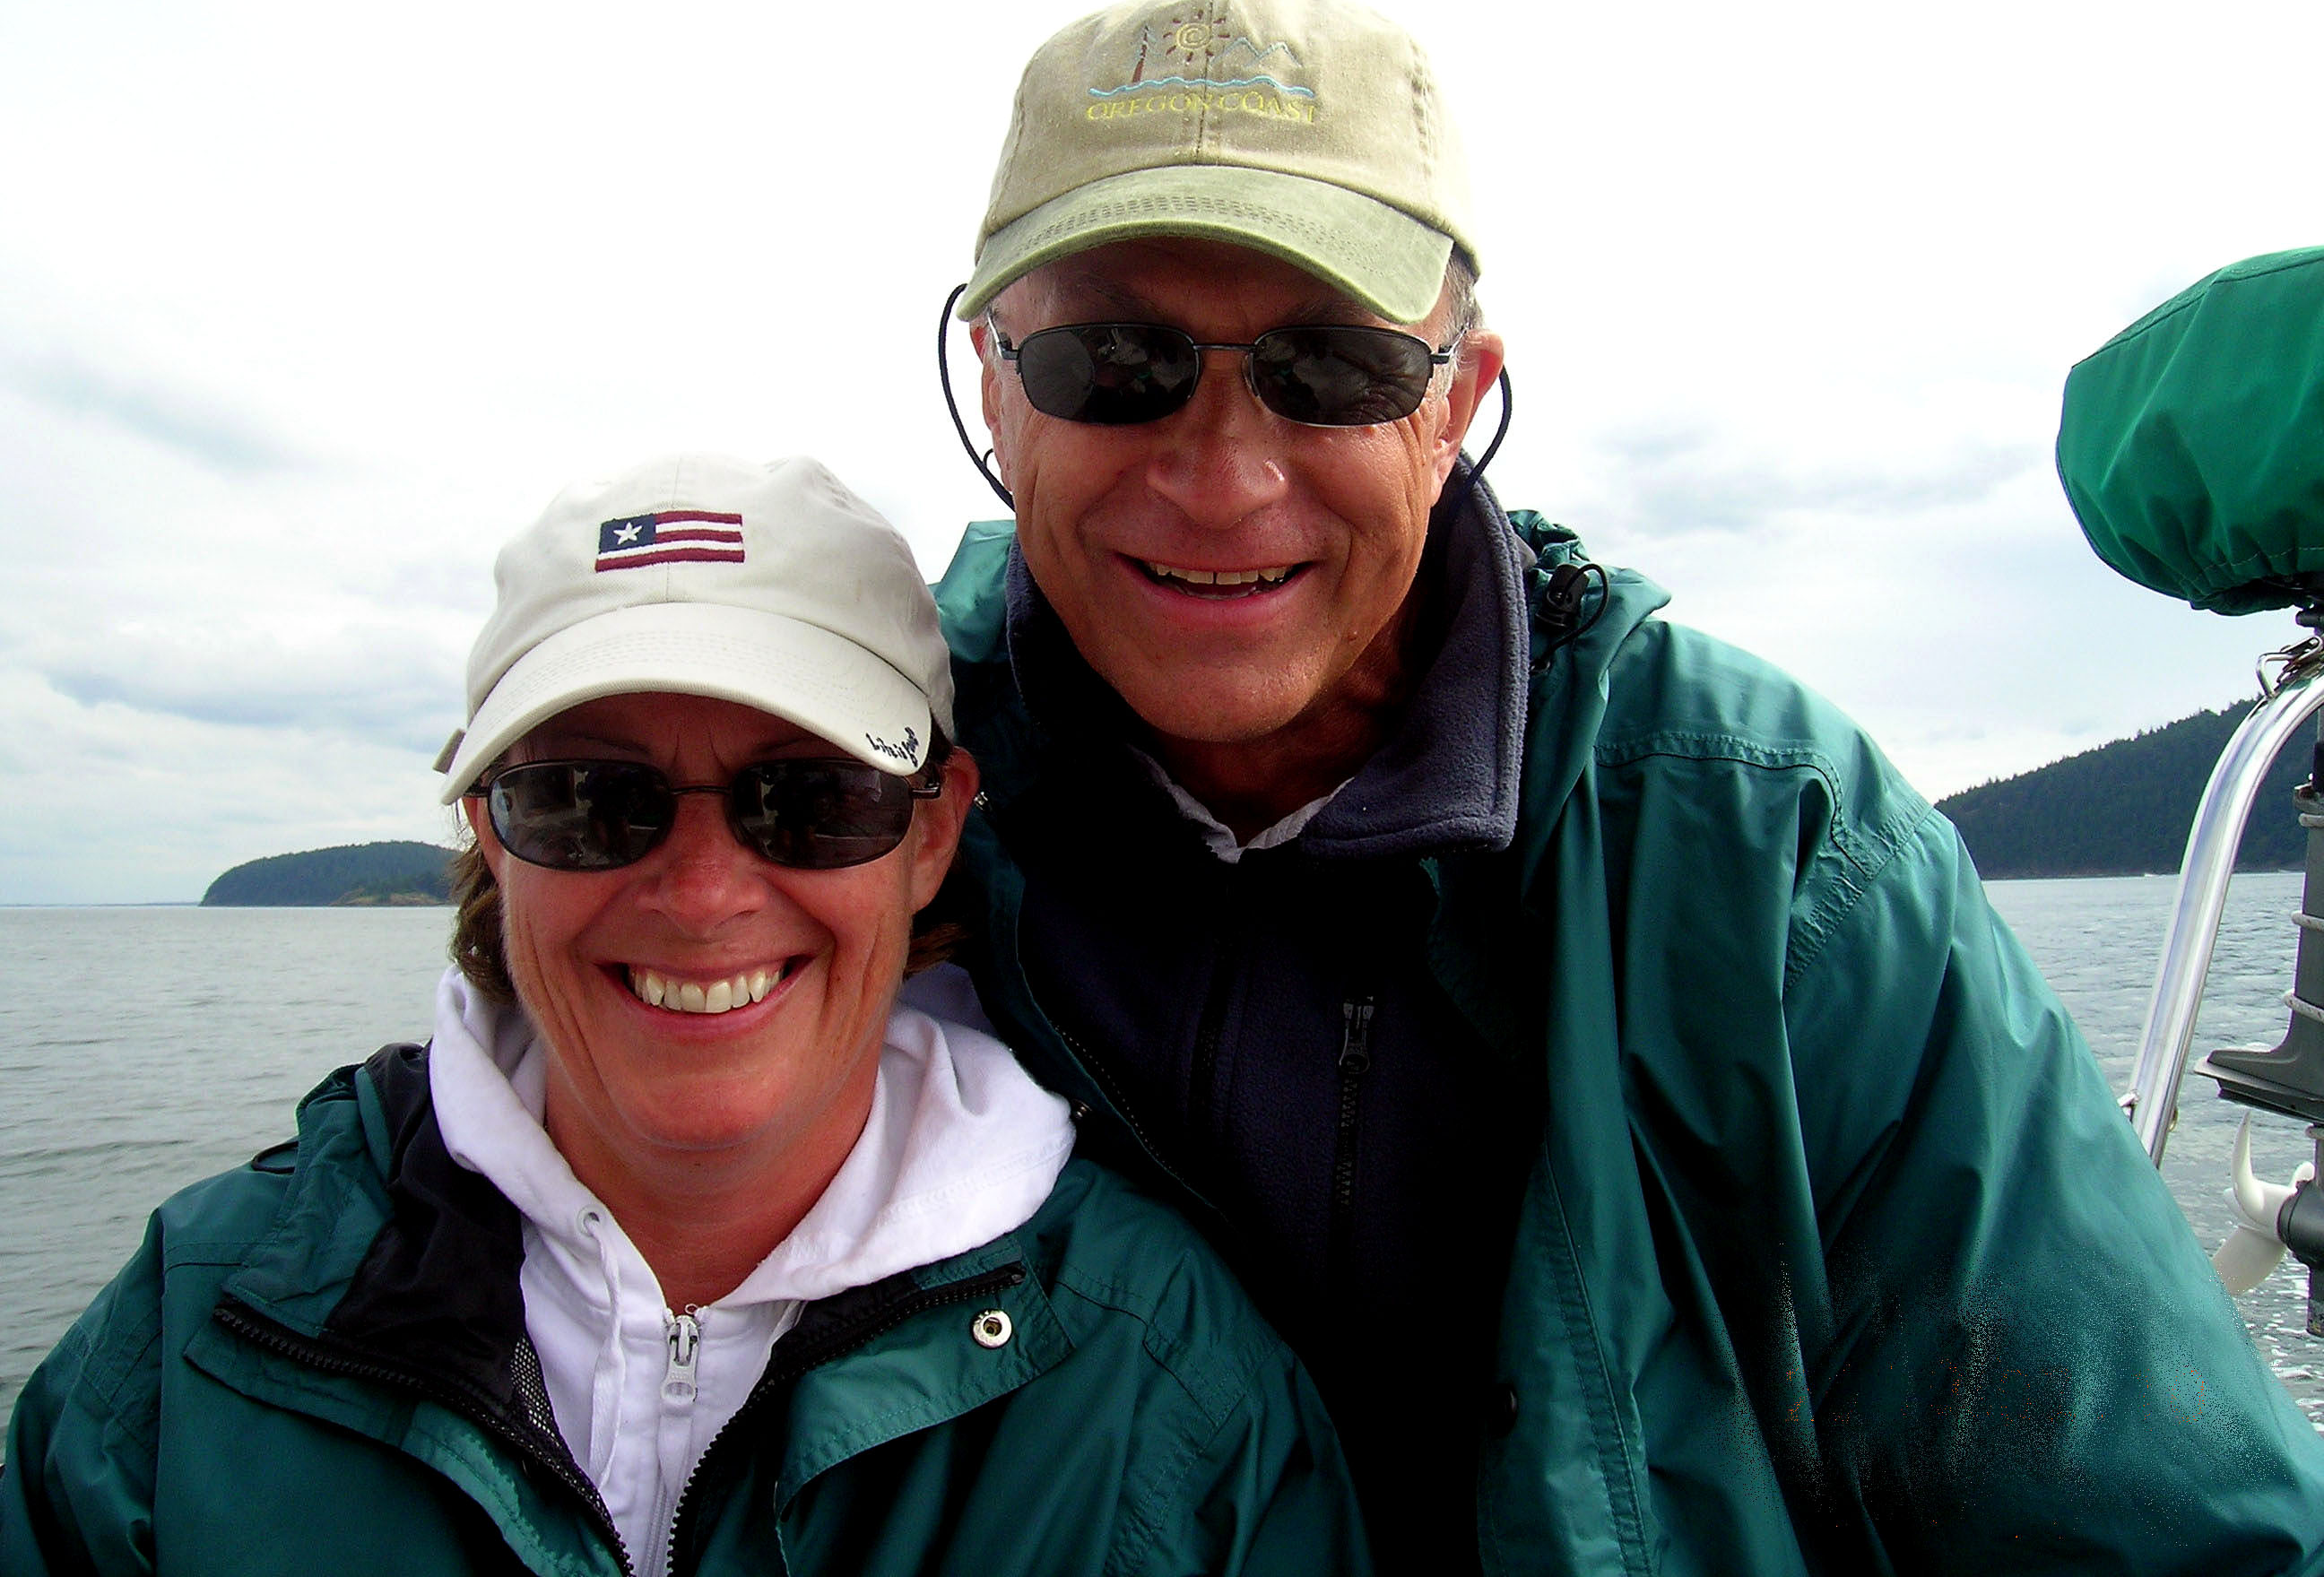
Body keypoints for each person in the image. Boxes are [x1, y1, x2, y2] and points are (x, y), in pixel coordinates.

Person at [931, 0, 2324, 1572]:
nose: (1225, 472)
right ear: (995, 383)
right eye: (1115, 365)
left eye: (1335, 370)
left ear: (1456, 400)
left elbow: (2146, 1524)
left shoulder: (1769, 845)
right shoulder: (814, 807)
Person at [0, 454, 1369, 1576]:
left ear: (930, 834)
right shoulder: (199, 1337)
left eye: (811, 798)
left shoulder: (1160, 1383)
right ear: (490, 829)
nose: (706, 893)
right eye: (592, 801)